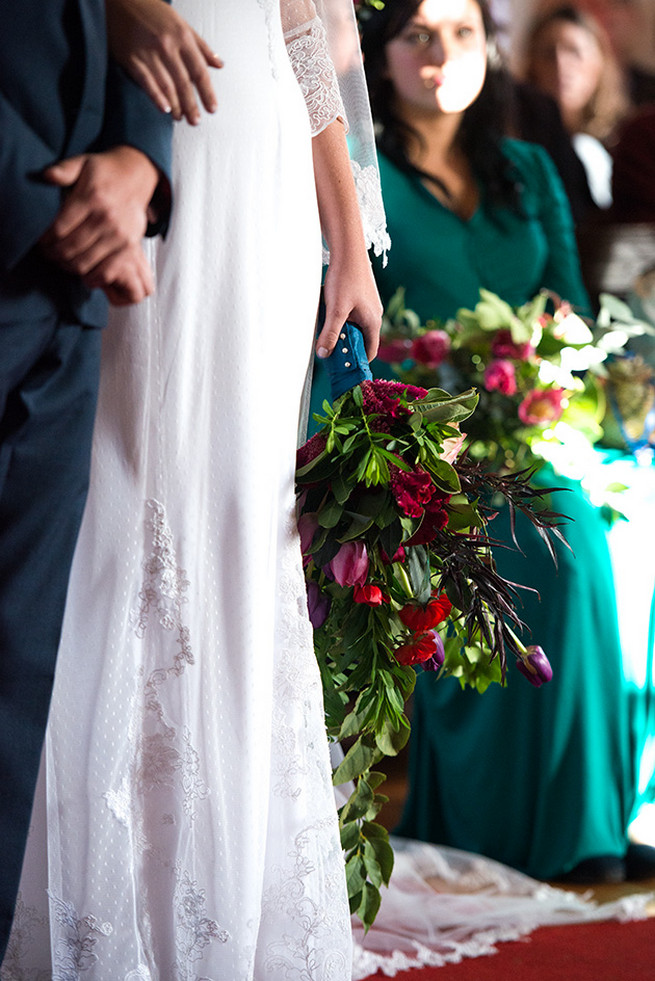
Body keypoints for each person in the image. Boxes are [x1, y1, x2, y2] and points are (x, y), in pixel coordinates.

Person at [1, 0, 385, 976]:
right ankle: (85, 890)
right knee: (121, 480)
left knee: (239, 513)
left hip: (263, 161)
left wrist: (345, 234)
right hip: (158, 127)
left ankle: (221, 892)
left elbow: (307, 34)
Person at [359, 0, 650, 883]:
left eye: (456, 33)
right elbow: (345, 329)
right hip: (408, 447)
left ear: (485, 46)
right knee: (548, 530)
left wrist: (550, 363)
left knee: (581, 529)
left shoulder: (526, 167)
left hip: (526, 429)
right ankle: (499, 821)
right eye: (415, 35)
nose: (438, 54)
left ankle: (585, 822)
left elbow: (566, 300)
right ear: (381, 55)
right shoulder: (361, 170)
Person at [0, 1, 173, 960]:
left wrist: (139, 163)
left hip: (68, 305)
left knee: (15, 670)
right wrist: (47, 204)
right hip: (39, 220)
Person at [523, 5, 630, 210]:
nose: (561, 64)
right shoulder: (521, 146)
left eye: (574, 51)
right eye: (548, 53)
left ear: (599, 62)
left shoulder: (620, 141)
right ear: (532, 65)